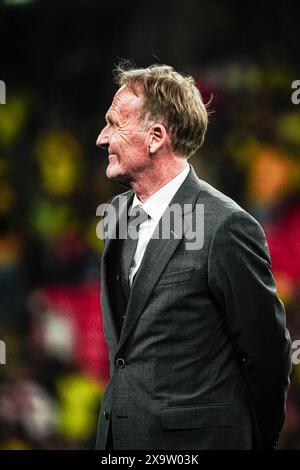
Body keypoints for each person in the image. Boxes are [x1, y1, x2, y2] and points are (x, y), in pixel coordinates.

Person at [95, 64, 291, 450]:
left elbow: (267, 352)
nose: (102, 138)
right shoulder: (117, 214)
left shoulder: (226, 226)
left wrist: (256, 439)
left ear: (155, 137)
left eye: (114, 124)